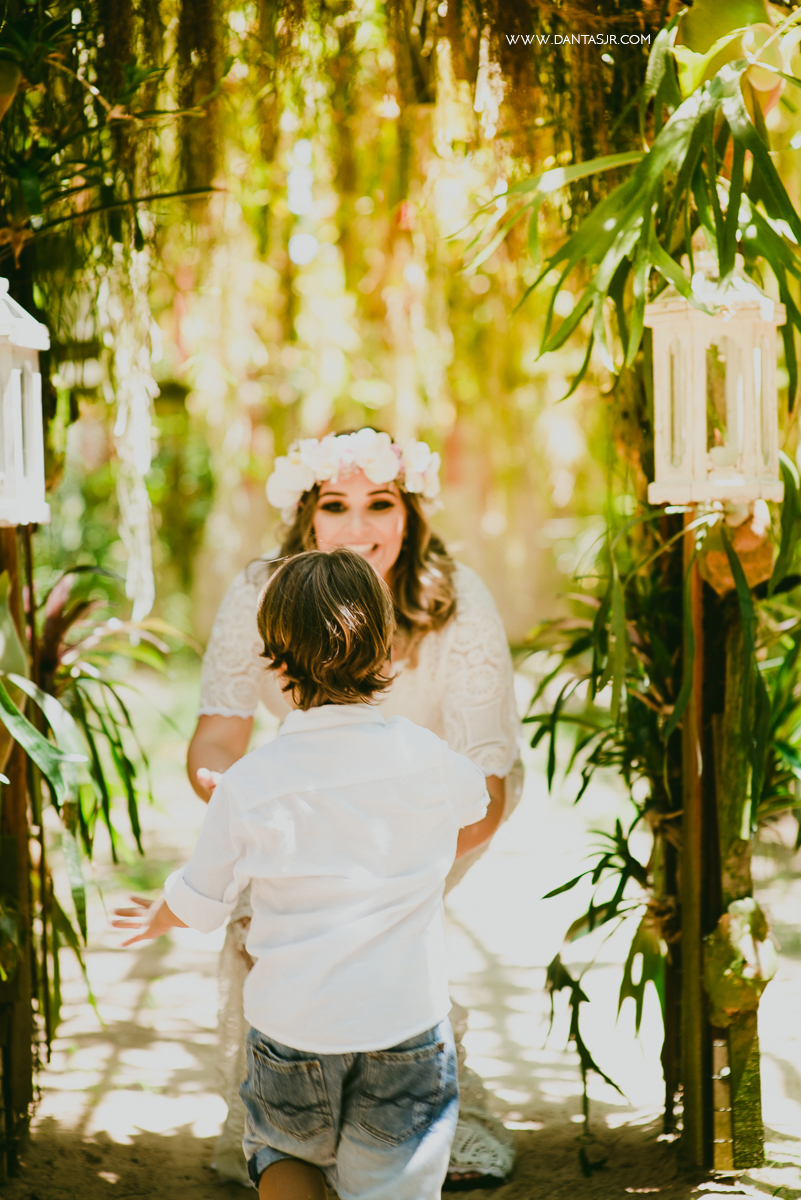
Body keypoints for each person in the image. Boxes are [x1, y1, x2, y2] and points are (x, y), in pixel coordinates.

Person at [188, 427, 523, 1189]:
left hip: (438, 804)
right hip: (304, 798)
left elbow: (486, 786)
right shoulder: (261, 591)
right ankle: (301, 1120)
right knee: (262, 925)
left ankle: (375, 1125)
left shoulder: (457, 598)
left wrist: (384, 873)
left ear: (410, 514)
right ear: (306, 515)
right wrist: (238, 806)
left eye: (380, 503)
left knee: (384, 942)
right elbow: (216, 739)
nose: (358, 526)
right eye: (335, 505)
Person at [114, 549, 505, 1200]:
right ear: (388, 655)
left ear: (275, 662)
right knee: (394, 1179)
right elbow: (477, 803)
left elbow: (203, 898)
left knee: (285, 1154)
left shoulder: (250, 783)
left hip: (292, 1030)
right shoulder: (428, 760)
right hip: (405, 1023)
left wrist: (159, 914)